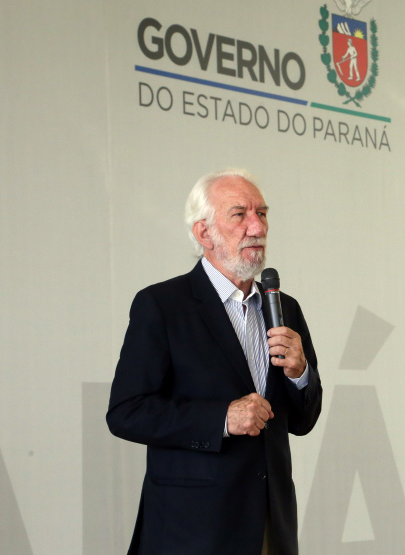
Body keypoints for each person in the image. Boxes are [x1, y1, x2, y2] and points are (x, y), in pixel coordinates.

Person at [106, 168, 323, 555]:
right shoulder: (162, 305)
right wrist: (222, 419)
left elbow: (303, 422)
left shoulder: (285, 307)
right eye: (240, 215)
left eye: (262, 213)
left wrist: (300, 374)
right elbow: (126, 411)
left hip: (272, 528)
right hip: (193, 531)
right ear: (204, 233)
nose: (257, 227)